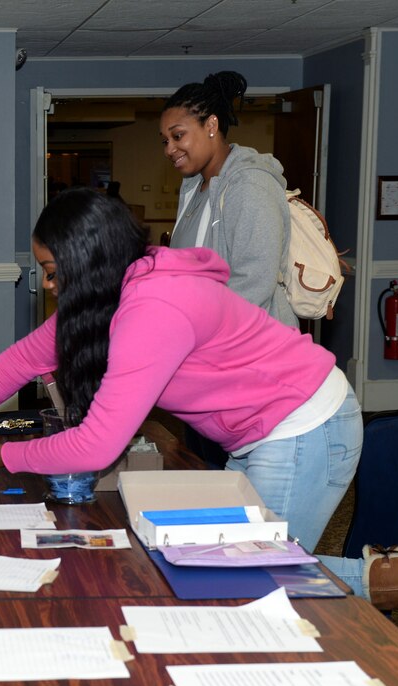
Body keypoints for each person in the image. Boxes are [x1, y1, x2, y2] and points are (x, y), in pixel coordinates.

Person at [0, 187, 398, 669]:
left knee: (256, 575)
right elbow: (19, 361)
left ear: (85, 259)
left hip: (303, 424)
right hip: (264, 429)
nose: (49, 287)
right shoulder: (112, 294)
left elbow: (100, 441)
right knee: (223, 560)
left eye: (54, 272)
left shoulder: (153, 306)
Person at [160, 70, 295, 468]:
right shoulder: (196, 189)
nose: (170, 148)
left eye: (178, 135)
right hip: (206, 364)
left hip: (250, 366)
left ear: (212, 125)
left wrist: (194, 332)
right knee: (204, 469)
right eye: (165, 140)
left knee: (239, 481)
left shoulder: (249, 185)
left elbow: (254, 280)